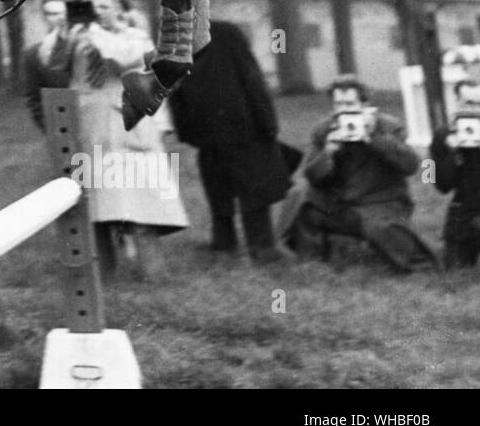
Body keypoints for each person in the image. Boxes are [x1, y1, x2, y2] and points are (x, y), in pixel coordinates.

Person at [45, 0, 188, 277]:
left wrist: (94, 30)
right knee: (95, 209)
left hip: (130, 129)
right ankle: (103, 276)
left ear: (119, 9)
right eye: (91, 5)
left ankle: (154, 275)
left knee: (142, 207)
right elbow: (51, 61)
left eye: (104, 6)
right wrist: (64, 31)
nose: (97, 12)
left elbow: (123, 58)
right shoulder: (75, 36)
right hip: (89, 130)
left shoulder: (135, 36)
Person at [167, 21, 297, 263]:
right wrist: (268, 123)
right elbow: (252, 80)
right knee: (254, 188)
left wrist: (186, 131)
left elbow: (175, 90)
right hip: (243, 127)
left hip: (207, 130)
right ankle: (262, 246)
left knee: (219, 189)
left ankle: (224, 246)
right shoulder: (227, 32)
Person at [282, 74, 437, 272]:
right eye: (339, 104)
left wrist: (375, 138)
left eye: (350, 103)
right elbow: (311, 176)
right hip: (339, 204)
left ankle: (417, 265)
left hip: (380, 203)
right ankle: (311, 260)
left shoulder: (388, 126)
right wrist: (328, 153)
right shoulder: (324, 129)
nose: (345, 109)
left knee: (380, 228)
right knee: (301, 195)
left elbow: (411, 166)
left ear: (365, 104)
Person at [430, 78, 480, 268]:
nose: (475, 109)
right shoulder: (441, 134)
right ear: (457, 103)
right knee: (454, 269)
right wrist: (453, 152)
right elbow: (434, 182)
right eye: (469, 103)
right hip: (464, 210)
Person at [22, 0, 71, 130]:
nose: (61, 18)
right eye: (53, 14)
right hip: (63, 130)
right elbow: (34, 99)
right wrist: (51, 129)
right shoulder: (34, 55)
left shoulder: (93, 46)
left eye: (64, 12)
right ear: (45, 18)